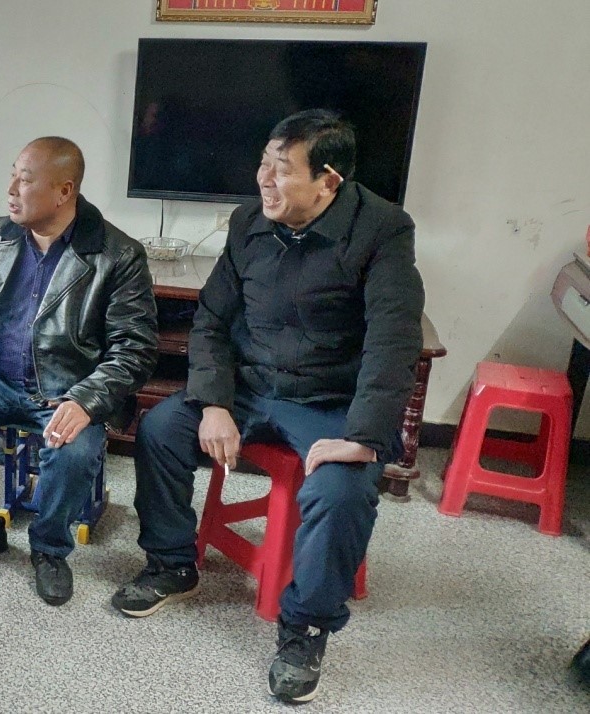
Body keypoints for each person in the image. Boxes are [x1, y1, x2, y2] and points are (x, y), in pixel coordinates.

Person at [111, 109, 424, 703]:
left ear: (328, 181)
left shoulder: (383, 230)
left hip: (329, 400)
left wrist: (364, 437)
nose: (264, 180)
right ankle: (172, 563)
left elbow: (394, 341)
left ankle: (305, 626)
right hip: (250, 387)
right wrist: (213, 402)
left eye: (282, 170)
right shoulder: (249, 221)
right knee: (161, 428)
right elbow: (211, 318)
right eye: (263, 163)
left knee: (342, 490)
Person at [0, 136, 158, 607]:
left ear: (64, 191)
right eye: (13, 175)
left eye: (26, 179)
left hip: (66, 391)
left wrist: (85, 401)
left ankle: (49, 549)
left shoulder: (118, 255)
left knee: (75, 450)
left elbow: (134, 350)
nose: (12, 189)